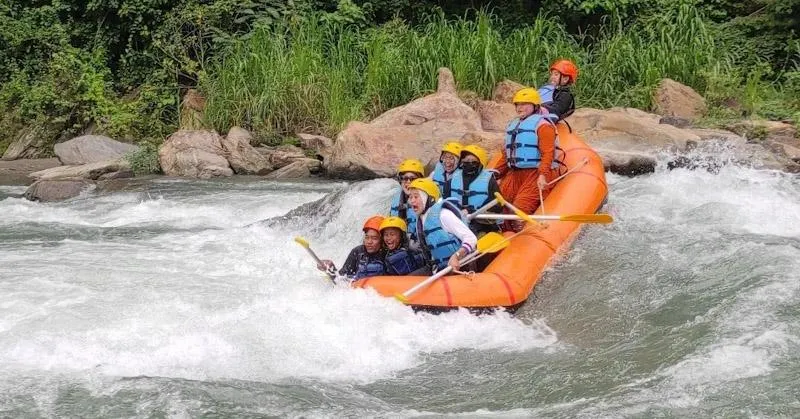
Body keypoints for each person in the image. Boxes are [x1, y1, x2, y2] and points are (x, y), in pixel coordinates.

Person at [493, 87, 561, 232]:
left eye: (524, 104)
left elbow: (548, 153)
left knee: (517, 212)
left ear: (535, 106)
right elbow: (506, 157)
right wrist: (493, 174)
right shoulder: (514, 125)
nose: (520, 108)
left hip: (535, 173)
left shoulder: (543, 126)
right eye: (518, 104)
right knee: (498, 208)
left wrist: (543, 174)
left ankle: (522, 240)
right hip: (514, 174)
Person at [407, 178, 478, 275]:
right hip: (439, 269)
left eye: (416, 197)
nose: (412, 201)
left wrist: (456, 256)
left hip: (460, 267)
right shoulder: (421, 219)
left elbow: (471, 238)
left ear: (429, 198)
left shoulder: (444, 215)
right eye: (410, 197)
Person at [449, 144, 502, 236]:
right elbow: (445, 201)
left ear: (480, 163)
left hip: (481, 225)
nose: (469, 163)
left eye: (473, 161)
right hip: (457, 223)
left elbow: (497, 205)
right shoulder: (453, 179)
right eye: (466, 160)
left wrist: (472, 211)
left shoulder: (489, 180)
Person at [317, 215, 386, 280]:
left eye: (374, 238)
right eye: (367, 237)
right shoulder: (358, 251)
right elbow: (340, 278)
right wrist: (330, 268)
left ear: (382, 239)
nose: (369, 242)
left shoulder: (387, 254)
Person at [390, 159, 424, 243]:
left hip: (421, 244)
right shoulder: (396, 199)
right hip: (402, 243)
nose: (408, 182)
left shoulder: (427, 200)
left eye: (412, 179)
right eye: (405, 178)